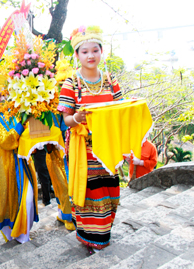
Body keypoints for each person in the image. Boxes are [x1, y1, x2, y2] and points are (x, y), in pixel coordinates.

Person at [58, 26, 123, 253]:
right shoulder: (71, 84)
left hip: (108, 147)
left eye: (95, 50)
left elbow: (120, 108)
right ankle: (93, 237)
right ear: (77, 55)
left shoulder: (110, 80)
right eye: (85, 52)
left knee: (109, 190)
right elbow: (65, 120)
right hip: (83, 150)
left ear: (101, 52)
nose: (91, 56)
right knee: (90, 193)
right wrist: (77, 117)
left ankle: (104, 232)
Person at [0, 74, 39, 244]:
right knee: (10, 197)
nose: (3, 98)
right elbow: (5, 141)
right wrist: (21, 125)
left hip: (25, 160)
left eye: (5, 94)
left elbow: (30, 132)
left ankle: (24, 233)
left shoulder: (17, 109)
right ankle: (14, 232)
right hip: (6, 163)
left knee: (28, 197)